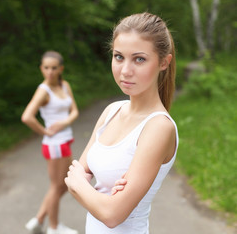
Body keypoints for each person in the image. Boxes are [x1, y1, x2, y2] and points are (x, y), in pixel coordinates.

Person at [64, 12, 179, 234]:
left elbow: (112, 215)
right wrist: (100, 197)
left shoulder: (158, 127)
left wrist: (82, 186)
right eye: (119, 57)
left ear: (164, 62)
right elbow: (76, 176)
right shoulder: (111, 111)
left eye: (139, 59)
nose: (125, 70)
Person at [22, 51, 79, 234]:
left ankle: (38, 220)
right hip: (54, 145)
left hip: (64, 141)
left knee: (64, 184)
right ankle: (53, 228)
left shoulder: (65, 85)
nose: (50, 72)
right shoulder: (43, 90)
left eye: (54, 68)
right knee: (57, 186)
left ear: (61, 69)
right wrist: (45, 131)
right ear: (41, 69)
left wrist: (64, 122)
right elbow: (27, 117)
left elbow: (74, 111)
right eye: (46, 68)